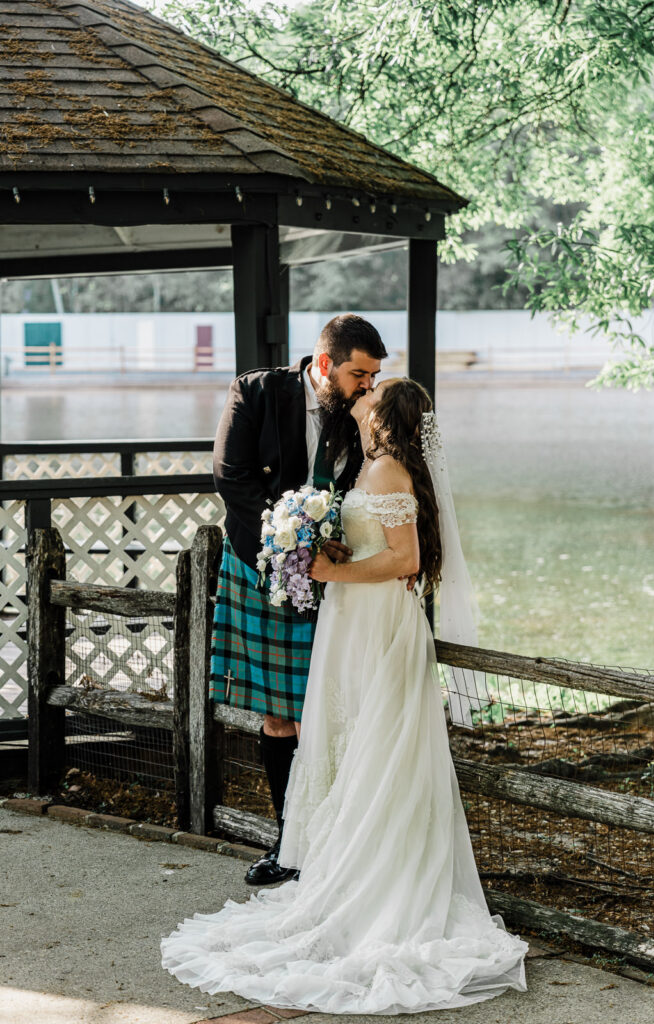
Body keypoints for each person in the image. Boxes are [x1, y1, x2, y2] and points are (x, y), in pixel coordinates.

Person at [161, 378, 528, 1013]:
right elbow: (377, 545)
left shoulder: (387, 473)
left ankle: (382, 882)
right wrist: (329, 547)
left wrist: (331, 570)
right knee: (355, 739)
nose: (359, 400)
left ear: (385, 416)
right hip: (354, 620)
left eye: (370, 394)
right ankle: (349, 868)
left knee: (379, 745)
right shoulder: (374, 467)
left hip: (376, 624)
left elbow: (403, 560)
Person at [210, 313, 387, 885]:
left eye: (376, 375)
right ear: (326, 364)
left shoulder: (361, 411)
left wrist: (330, 553)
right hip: (264, 570)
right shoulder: (257, 391)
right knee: (281, 715)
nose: (369, 385)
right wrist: (285, 546)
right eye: (360, 373)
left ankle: (337, 842)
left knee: (335, 709)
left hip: (335, 577)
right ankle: (289, 844)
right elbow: (231, 478)